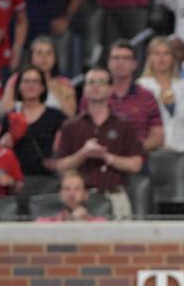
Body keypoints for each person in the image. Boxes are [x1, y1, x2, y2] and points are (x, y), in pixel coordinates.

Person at [56, 68, 143, 219]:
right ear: (84, 90)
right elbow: (61, 166)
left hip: (115, 196)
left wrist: (107, 156)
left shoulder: (124, 125)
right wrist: (83, 154)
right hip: (79, 199)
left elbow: (136, 164)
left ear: (111, 89)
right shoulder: (70, 126)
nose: (95, 86)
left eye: (101, 82)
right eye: (91, 82)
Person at [137, 36, 184, 193]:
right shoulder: (141, 87)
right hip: (153, 157)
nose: (161, 58)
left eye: (166, 53)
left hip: (183, 154)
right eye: (156, 53)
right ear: (149, 57)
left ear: (173, 58)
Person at [0, 66, 66, 197]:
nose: (31, 85)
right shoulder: (10, 117)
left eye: (35, 81)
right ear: (19, 86)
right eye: (26, 81)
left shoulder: (56, 117)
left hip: (48, 182)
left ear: (42, 87)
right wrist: (4, 145)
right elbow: (1, 152)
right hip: (17, 182)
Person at [100, 40, 164, 152]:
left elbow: (158, 136)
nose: (120, 62)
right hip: (100, 158)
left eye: (126, 58)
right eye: (116, 58)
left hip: (137, 159)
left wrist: (135, 149)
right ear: (108, 63)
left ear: (134, 64)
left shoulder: (147, 97)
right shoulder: (94, 95)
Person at [1, 36, 76, 118]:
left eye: (49, 53)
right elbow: (7, 111)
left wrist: (52, 86)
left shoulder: (64, 84)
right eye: (39, 53)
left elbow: (69, 116)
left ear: (55, 57)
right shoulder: (16, 80)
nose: (44, 58)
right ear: (31, 56)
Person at [36, 171, 108, 222]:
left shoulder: (100, 223)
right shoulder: (45, 223)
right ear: (61, 194)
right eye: (67, 189)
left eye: (77, 189)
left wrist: (85, 224)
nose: (71, 194)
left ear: (85, 194)